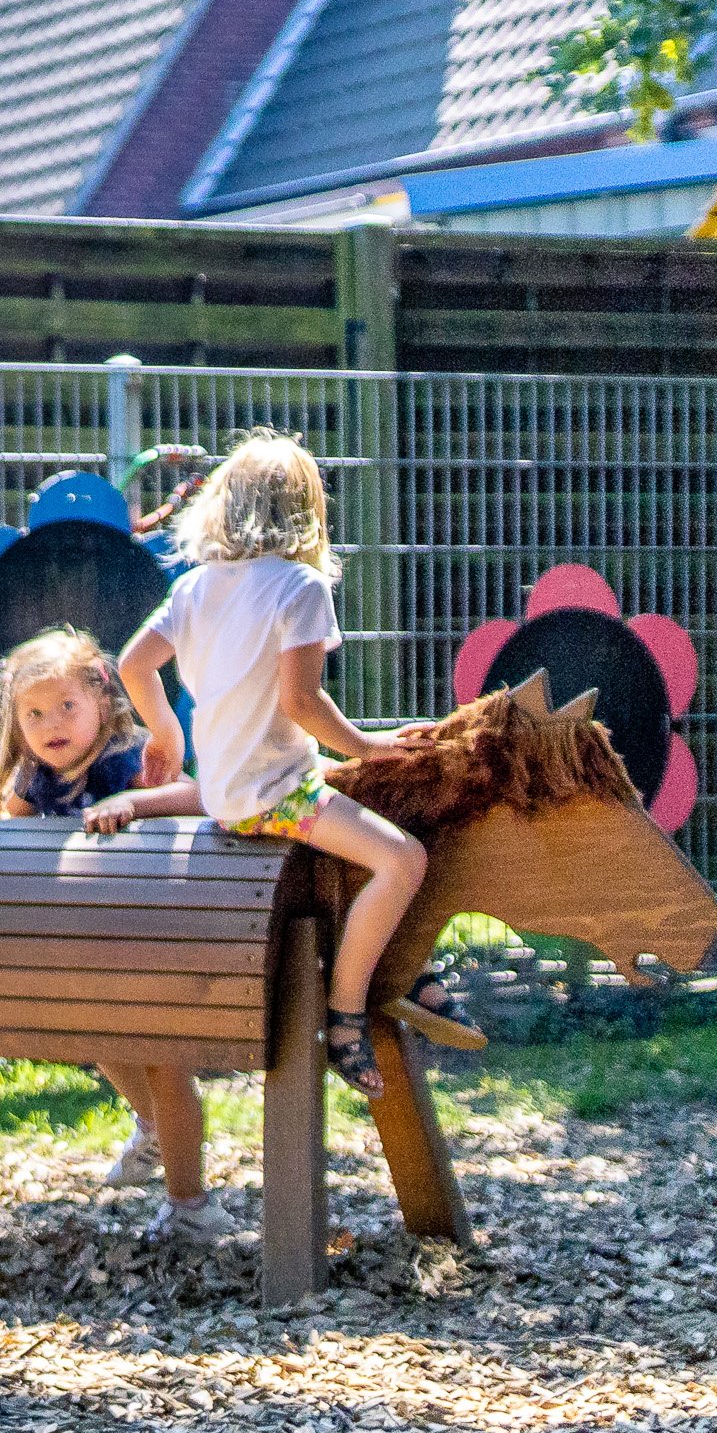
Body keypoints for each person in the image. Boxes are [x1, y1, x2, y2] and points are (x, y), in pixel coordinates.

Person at [90, 430, 478, 1101]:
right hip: (275, 794)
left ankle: (412, 967)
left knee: (373, 810)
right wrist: (370, 744)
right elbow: (302, 700)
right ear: (306, 511)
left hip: (228, 785)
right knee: (403, 859)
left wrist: (167, 738)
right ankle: (348, 1013)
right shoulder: (301, 586)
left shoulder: (194, 587)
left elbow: (130, 664)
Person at [0, 625, 219, 1236]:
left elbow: (197, 796)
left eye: (66, 707)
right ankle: (153, 1130)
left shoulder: (129, 761)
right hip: (90, 948)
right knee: (100, 1040)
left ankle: (192, 1205)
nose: (50, 722)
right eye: (33, 713)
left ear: (104, 706)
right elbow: (18, 820)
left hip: (153, 939)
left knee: (163, 1060)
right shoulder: (36, 776)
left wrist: (137, 804)